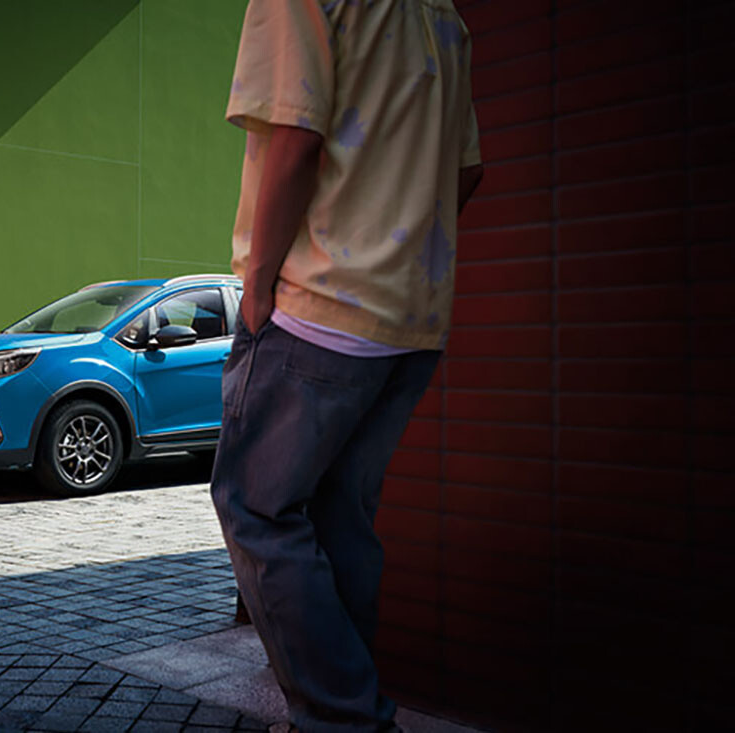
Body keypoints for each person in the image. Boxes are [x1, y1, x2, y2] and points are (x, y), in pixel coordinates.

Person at [211, 1, 483, 731]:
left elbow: (296, 136)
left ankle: (343, 719)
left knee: (256, 508)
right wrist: (396, 255)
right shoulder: (442, 16)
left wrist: (259, 288)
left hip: (317, 305)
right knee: (341, 520)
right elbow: (467, 170)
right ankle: (348, 711)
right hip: (410, 319)